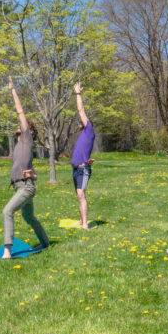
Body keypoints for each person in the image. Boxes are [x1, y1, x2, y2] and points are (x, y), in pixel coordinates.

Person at [2, 77, 50, 259]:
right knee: (29, 218)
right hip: (24, 185)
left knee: (7, 211)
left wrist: (13, 90)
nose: (18, 125)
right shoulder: (21, 146)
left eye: (21, 125)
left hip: (26, 187)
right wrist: (33, 176)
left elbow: (20, 111)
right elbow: (34, 174)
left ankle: (7, 250)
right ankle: (45, 243)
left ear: (28, 130)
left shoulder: (26, 138)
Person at [71, 83, 95, 229]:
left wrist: (78, 94)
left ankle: (85, 224)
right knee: (79, 195)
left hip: (83, 170)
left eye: (84, 120)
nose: (81, 121)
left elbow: (81, 110)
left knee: (81, 194)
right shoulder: (83, 135)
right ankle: (81, 220)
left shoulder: (89, 130)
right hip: (76, 169)